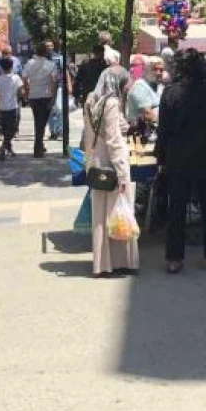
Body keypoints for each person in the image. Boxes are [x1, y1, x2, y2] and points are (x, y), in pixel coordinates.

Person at [156, 49, 206, 274]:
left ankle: (174, 258)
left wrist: (161, 156)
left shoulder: (170, 92)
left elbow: (164, 128)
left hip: (178, 155)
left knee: (176, 207)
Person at [83, 67, 139, 277]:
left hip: (96, 162)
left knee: (101, 215)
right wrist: (123, 174)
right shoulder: (112, 103)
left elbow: (96, 132)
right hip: (112, 162)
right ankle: (122, 261)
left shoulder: (91, 100)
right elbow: (115, 140)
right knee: (119, 212)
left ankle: (102, 263)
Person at [23, 42, 58, 158]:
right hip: (46, 95)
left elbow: (24, 78)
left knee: (38, 121)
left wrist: (27, 92)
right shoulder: (50, 65)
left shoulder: (29, 63)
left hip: (34, 95)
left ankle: (39, 145)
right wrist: (53, 98)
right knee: (41, 122)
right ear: (46, 52)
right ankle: (38, 147)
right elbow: (53, 82)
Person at [0, 56, 24, 161]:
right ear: (12, 66)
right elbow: (21, 92)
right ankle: (4, 146)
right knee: (13, 129)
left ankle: (8, 148)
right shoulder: (17, 78)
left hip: (1, 107)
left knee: (5, 130)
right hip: (13, 107)